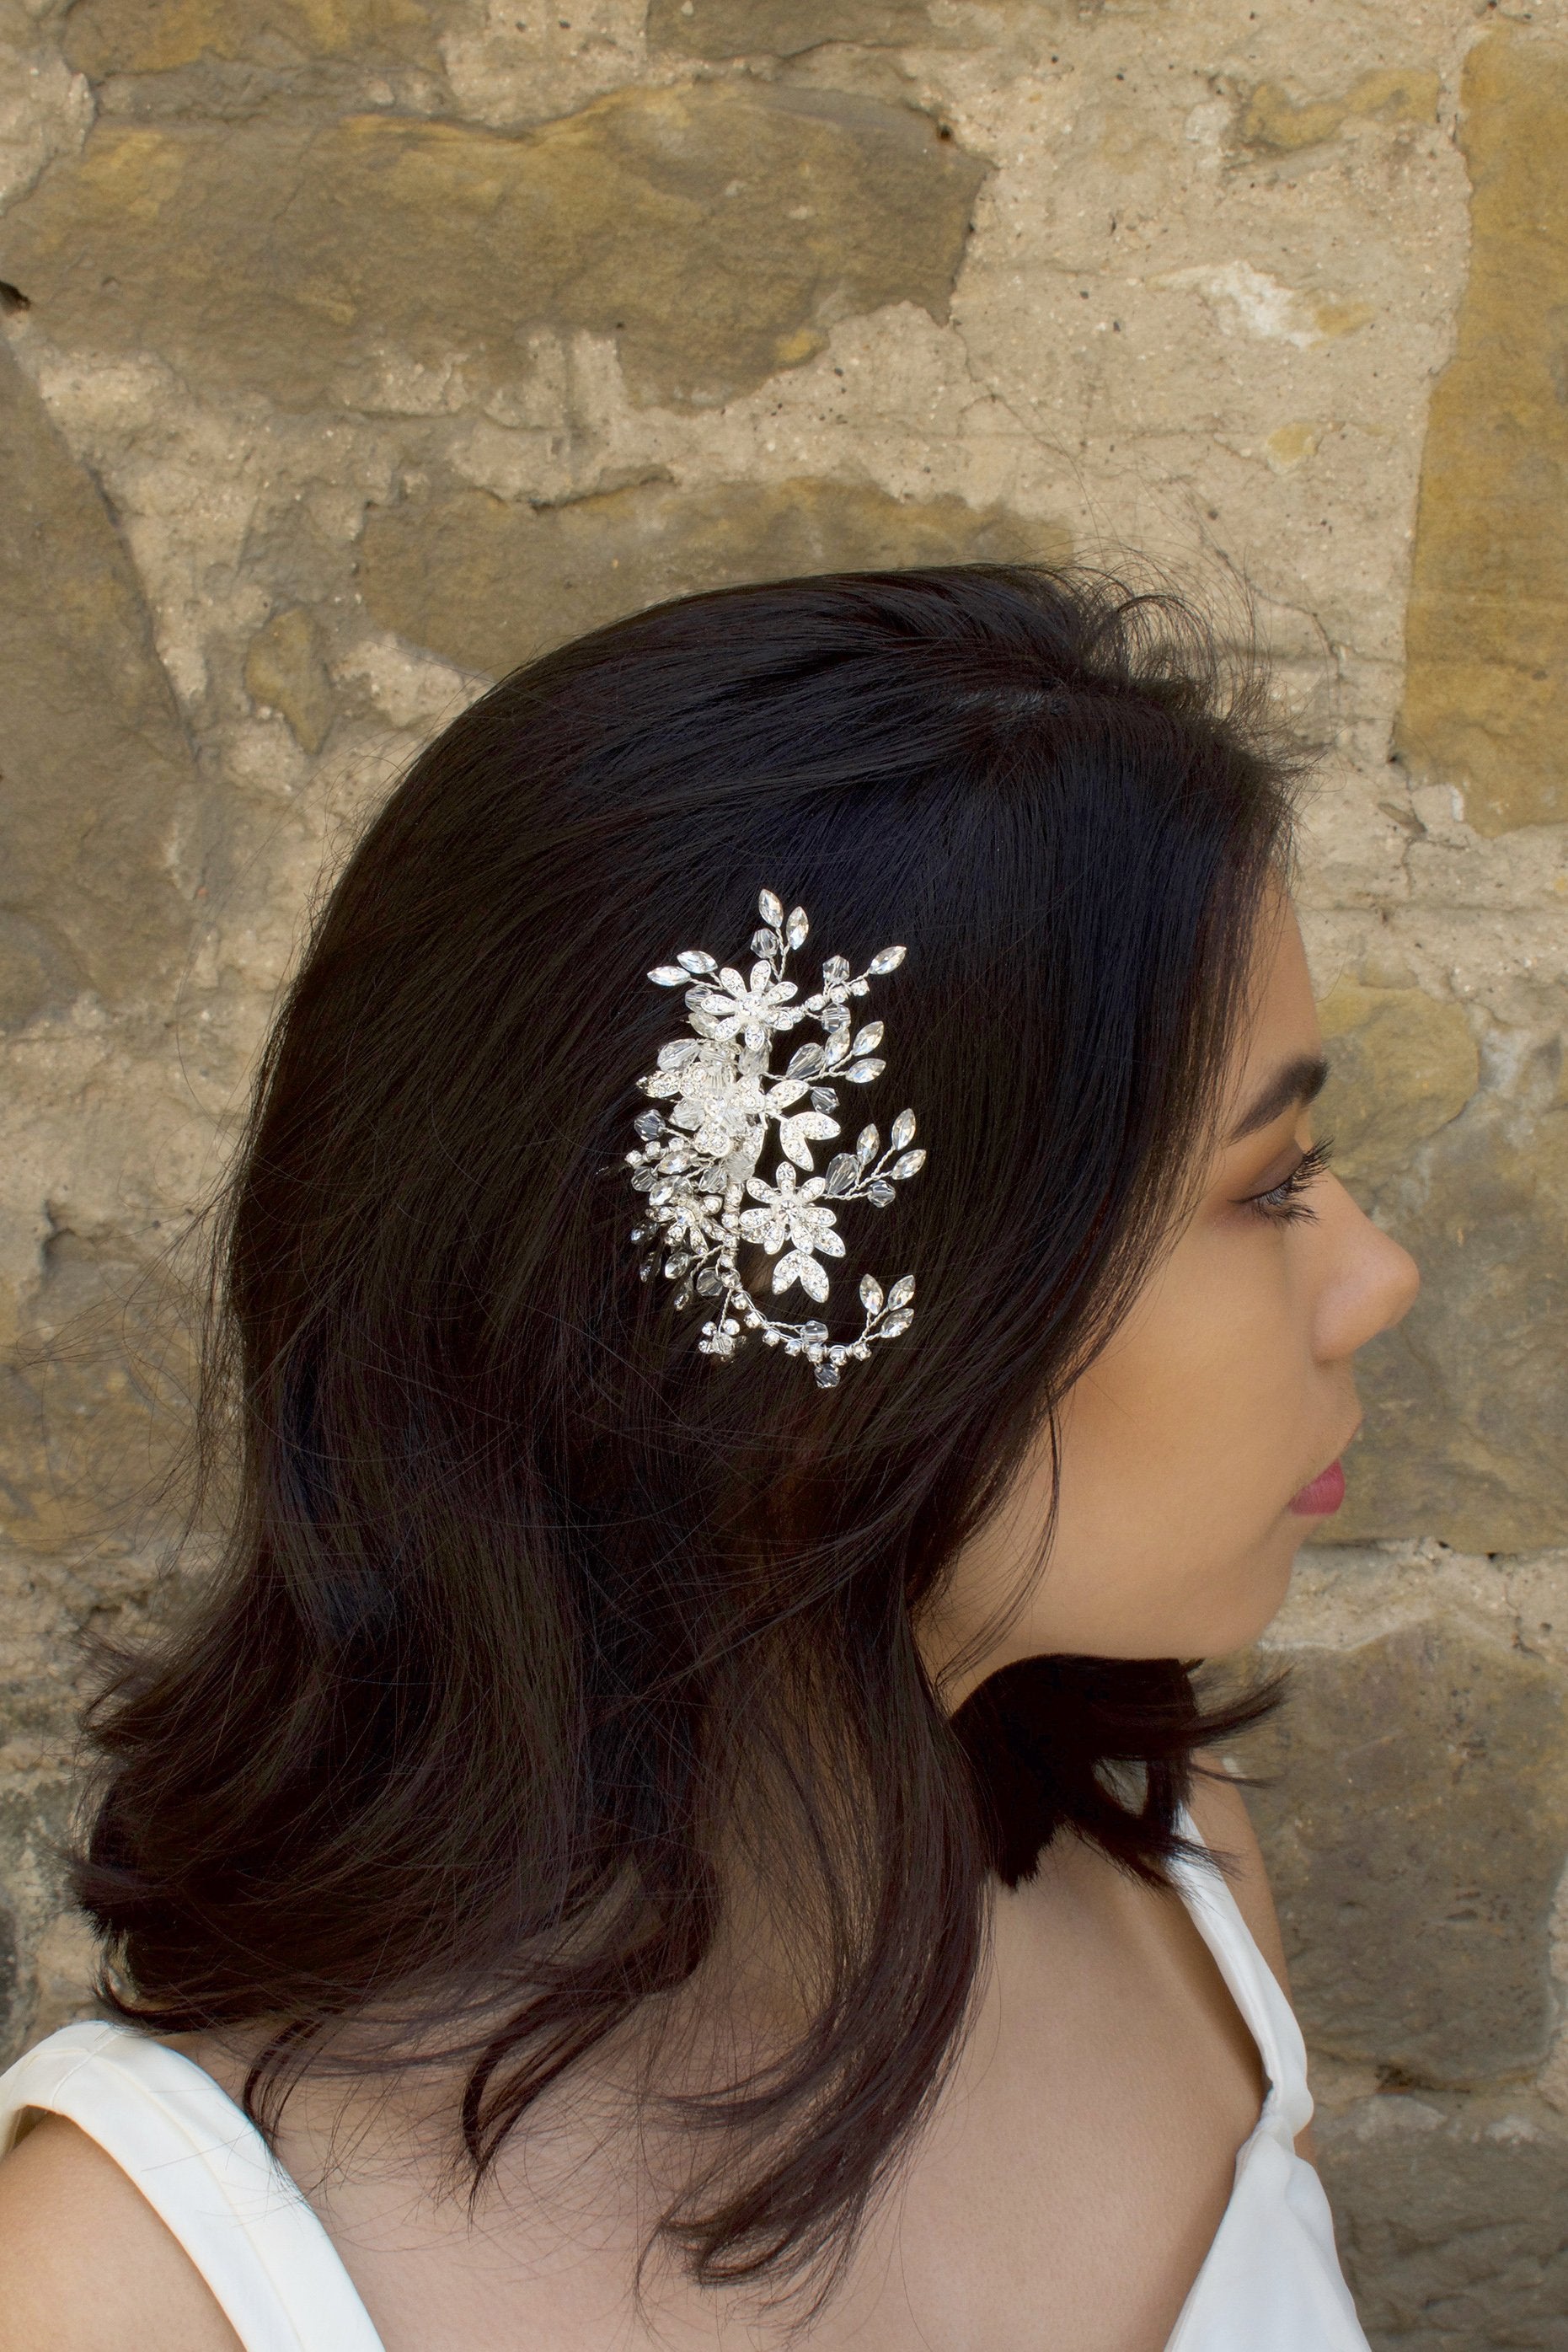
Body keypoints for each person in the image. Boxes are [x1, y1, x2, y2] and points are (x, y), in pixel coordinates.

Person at [0, 564, 1420, 2352]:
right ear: (822, 1336)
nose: (1374, 1274)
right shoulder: (144, 2291)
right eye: (1268, 1183)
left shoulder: (1178, 1902)